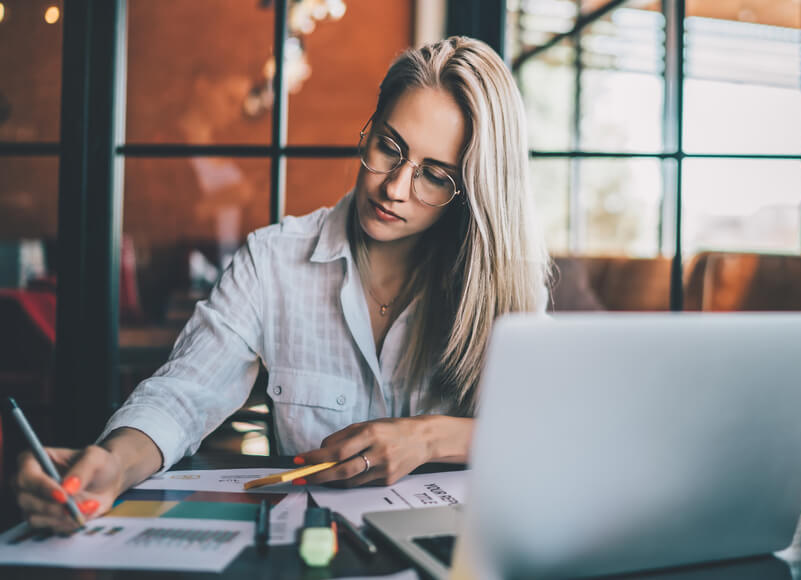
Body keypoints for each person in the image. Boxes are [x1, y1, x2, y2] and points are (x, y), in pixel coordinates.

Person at [13, 36, 549, 533]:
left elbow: (553, 433)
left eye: (434, 175)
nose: (395, 187)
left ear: (472, 192)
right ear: (370, 127)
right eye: (389, 146)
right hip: (313, 551)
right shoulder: (273, 260)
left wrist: (430, 435)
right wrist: (112, 462)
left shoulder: (504, 286)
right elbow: (183, 394)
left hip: (461, 550)